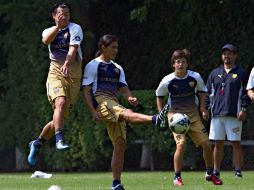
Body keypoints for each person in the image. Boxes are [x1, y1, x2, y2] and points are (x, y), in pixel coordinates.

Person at [82, 34, 169, 190]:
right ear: (103, 47)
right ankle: (155, 119)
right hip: (102, 101)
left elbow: (124, 88)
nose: (116, 50)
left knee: (120, 143)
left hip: (113, 102)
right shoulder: (93, 65)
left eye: (117, 47)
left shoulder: (117, 68)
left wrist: (130, 98)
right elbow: (86, 90)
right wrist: (92, 111)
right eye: (113, 47)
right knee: (125, 113)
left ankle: (116, 183)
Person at [156, 49, 222, 186]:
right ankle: (177, 177)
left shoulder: (195, 77)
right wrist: (161, 114)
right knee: (181, 144)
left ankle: (210, 173)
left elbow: (203, 92)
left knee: (207, 144)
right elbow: (159, 96)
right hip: (175, 115)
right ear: (173, 64)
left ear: (187, 64)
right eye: (177, 62)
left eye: (183, 62)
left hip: (193, 115)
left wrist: (203, 108)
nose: (180, 64)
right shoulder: (167, 80)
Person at [28, 3, 83, 166]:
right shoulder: (48, 30)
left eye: (67, 13)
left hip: (74, 77)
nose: (64, 16)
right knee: (60, 101)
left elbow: (73, 49)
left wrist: (67, 62)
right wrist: (57, 27)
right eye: (60, 14)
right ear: (54, 16)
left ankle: (37, 143)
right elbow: (46, 40)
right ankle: (60, 139)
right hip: (55, 74)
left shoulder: (75, 28)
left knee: (58, 119)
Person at [205, 44, 250, 178]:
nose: (227, 56)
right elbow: (207, 93)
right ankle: (216, 170)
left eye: (230, 53)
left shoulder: (241, 73)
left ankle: (237, 171)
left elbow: (246, 94)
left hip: (234, 114)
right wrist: (206, 109)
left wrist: (243, 109)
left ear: (235, 55)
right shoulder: (214, 73)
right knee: (218, 143)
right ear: (221, 56)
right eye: (224, 53)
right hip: (217, 114)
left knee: (235, 143)